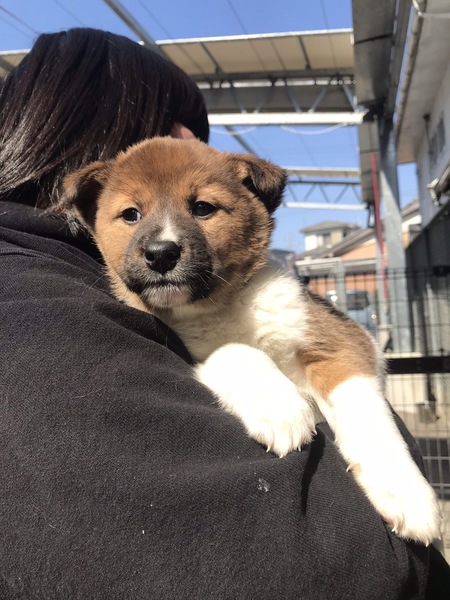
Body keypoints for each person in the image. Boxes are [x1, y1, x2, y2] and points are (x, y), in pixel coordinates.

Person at [0, 27, 448, 599]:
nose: (161, 240)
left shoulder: (262, 293)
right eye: (131, 214)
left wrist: (380, 454)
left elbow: (339, 350)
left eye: (204, 206)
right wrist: (240, 364)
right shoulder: (45, 315)